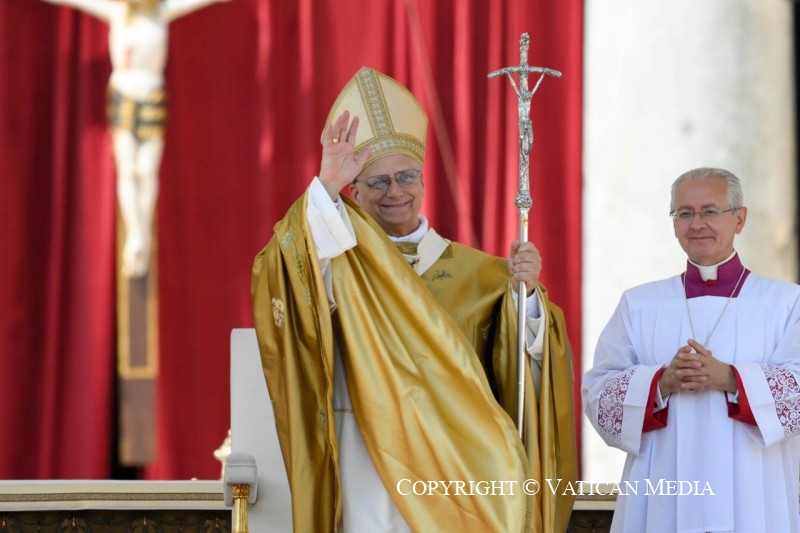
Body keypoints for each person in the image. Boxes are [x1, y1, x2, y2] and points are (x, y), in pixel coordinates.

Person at [251, 67, 577, 532]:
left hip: (453, 461)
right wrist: (325, 187)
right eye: (377, 182)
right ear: (353, 191)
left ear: (423, 182)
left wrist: (526, 299)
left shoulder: (483, 275)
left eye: (406, 176)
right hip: (364, 449)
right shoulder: (339, 263)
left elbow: (523, 368)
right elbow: (287, 274)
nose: (395, 192)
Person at [583, 167, 800, 532]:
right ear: (674, 224)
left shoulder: (786, 302)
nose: (697, 224)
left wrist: (731, 378)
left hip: (754, 489)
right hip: (662, 490)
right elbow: (598, 396)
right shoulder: (640, 304)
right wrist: (660, 383)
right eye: (685, 213)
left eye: (710, 211)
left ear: (740, 219)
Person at [42, 0, 229, 278]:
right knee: (127, 169)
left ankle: (142, 232)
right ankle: (136, 234)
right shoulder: (117, 13)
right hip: (124, 96)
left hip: (151, 95)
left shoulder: (162, 13)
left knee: (146, 169)